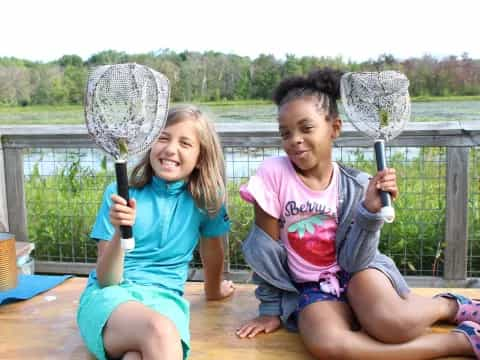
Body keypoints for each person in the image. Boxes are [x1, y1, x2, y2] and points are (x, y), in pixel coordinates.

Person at [235, 68, 480, 359]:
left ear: (334, 128)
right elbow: (266, 252)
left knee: (395, 326)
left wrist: (369, 212)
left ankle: (448, 305)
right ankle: (460, 342)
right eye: (285, 133)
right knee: (327, 345)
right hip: (312, 287)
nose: (295, 140)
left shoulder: (357, 186)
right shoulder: (273, 175)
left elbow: (355, 260)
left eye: (306, 128)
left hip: (360, 272)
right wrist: (270, 310)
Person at [77, 105, 235, 360]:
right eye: (163, 137)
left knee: (136, 355)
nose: (171, 149)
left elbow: (213, 250)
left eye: (185, 143)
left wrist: (214, 290)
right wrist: (120, 232)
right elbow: (107, 279)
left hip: (166, 301)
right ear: (150, 144)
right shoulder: (119, 193)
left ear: (200, 158)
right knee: (159, 331)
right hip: (110, 299)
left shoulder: (208, 201)